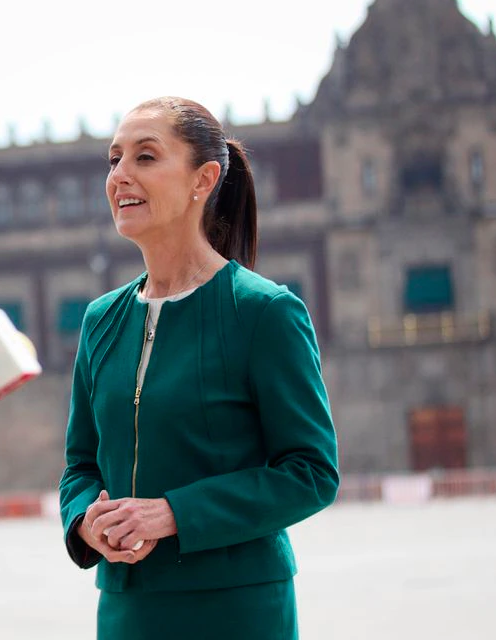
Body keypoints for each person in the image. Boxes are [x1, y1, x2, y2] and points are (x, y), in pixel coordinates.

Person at [59, 96, 339, 639]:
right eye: (113, 159)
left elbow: (311, 473)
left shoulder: (264, 312)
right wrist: (84, 521)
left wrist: (173, 513)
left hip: (236, 609)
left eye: (145, 157)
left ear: (203, 179)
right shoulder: (100, 321)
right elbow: (80, 465)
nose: (119, 175)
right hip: (127, 610)